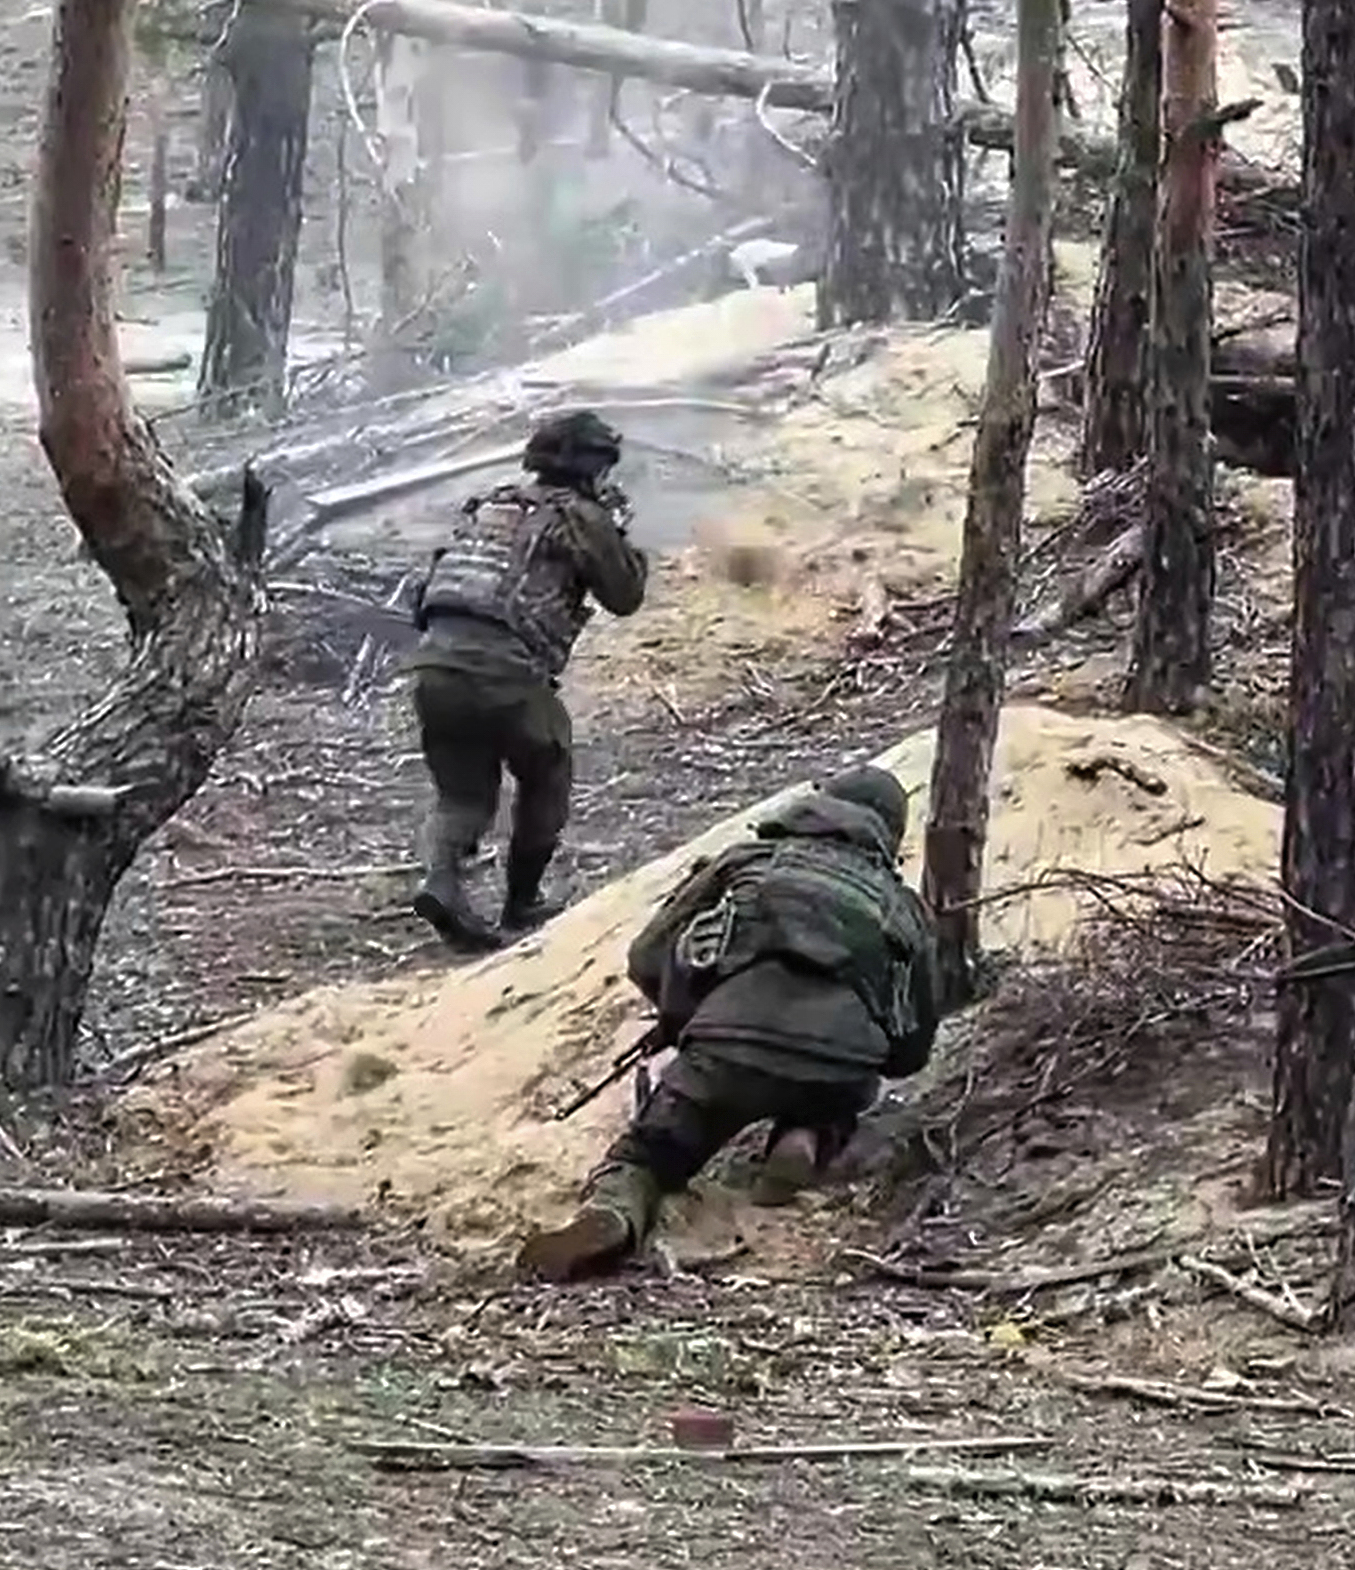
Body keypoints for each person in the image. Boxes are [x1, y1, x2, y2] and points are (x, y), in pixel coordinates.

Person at [519, 764, 951, 1283]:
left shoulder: (747, 862)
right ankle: (807, 1136)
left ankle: (613, 1213)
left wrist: (685, 1019)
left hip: (725, 1047)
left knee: (648, 1156)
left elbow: (646, 956)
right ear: (890, 834)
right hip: (836, 1066)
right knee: (837, 1099)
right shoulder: (905, 910)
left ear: (819, 807)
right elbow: (911, 1050)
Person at [391, 406, 650, 952]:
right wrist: (619, 538)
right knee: (548, 768)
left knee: (461, 796)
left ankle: (441, 881)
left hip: (436, 664)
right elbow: (625, 596)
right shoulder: (581, 516)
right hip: (504, 669)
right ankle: (523, 901)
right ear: (592, 467)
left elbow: (429, 586)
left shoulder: (492, 506)